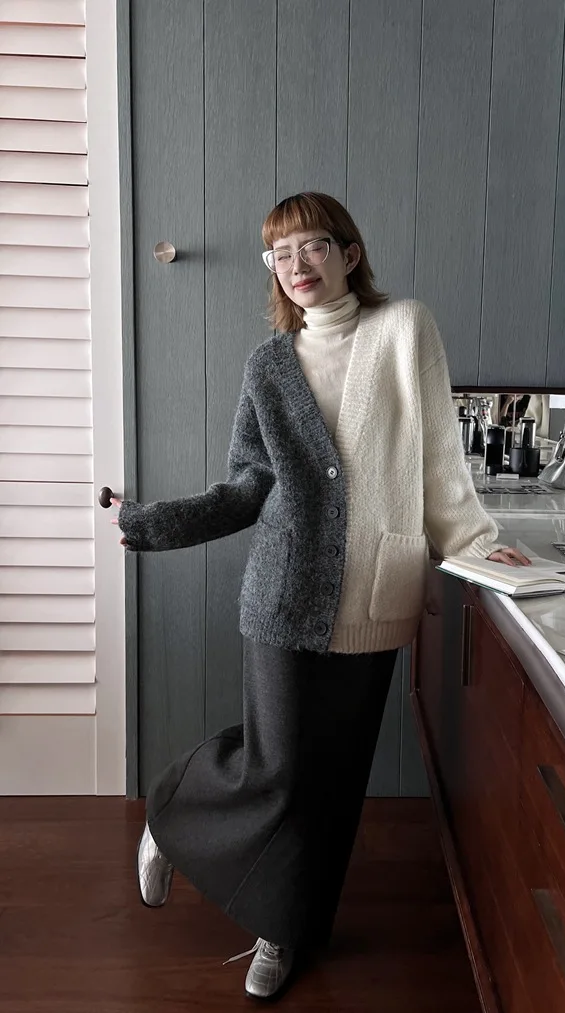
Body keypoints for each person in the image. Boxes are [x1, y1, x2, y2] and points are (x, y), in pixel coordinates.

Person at [112, 192, 530, 999]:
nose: (296, 264)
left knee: (333, 782)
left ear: (348, 252)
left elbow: (438, 456)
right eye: (281, 252)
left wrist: (474, 542)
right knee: (277, 763)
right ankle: (173, 816)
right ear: (270, 268)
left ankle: (286, 928)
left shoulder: (404, 327)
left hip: (378, 586)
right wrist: (153, 524)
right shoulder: (268, 364)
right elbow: (247, 486)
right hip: (282, 590)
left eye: (312, 246)